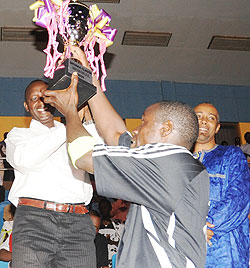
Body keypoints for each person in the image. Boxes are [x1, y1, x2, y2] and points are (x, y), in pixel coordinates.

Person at [44, 57, 210, 268]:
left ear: (166, 129)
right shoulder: (181, 166)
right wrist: (90, 76)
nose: (136, 130)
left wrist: (70, 112)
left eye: (143, 122)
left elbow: (83, 156)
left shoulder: (165, 162)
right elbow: (115, 135)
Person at [5, 79, 96, 268]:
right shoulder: (18, 135)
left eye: (46, 97)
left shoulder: (74, 129)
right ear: (26, 106)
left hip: (78, 223)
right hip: (34, 222)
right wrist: (72, 121)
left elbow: (96, 156)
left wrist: (85, 120)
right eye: (34, 98)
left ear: (55, 100)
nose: (40, 102)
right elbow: (25, 159)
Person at [193, 102, 250, 268]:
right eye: (198, 116)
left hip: (225, 251)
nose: (204, 121)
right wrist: (189, 230)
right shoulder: (180, 160)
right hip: (187, 252)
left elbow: (239, 198)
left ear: (217, 128)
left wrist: (203, 227)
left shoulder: (231, 156)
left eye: (211, 118)